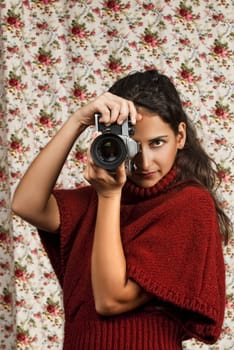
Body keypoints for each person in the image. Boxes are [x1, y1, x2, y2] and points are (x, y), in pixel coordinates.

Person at [11, 70, 232, 350]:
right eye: (132, 145)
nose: (144, 161)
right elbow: (25, 204)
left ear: (180, 136)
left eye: (157, 143)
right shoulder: (97, 198)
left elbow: (111, 300)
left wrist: (109, 196)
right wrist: (78, 120)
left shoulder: (188, 204)